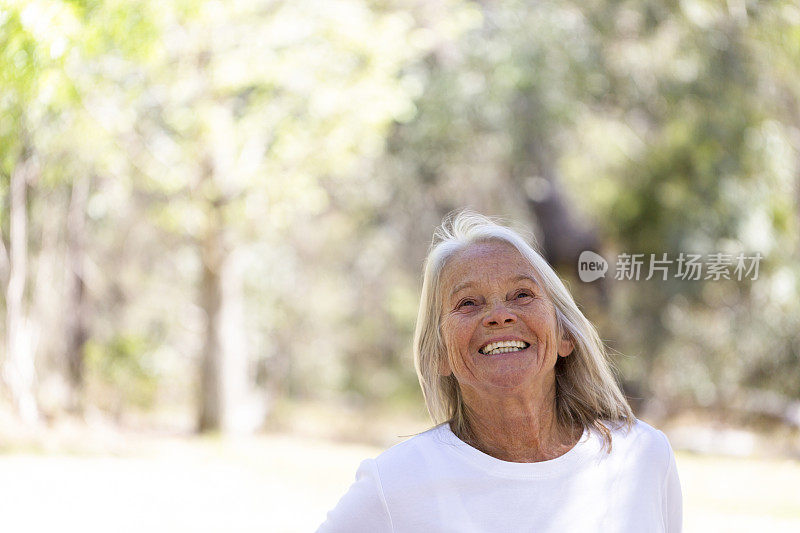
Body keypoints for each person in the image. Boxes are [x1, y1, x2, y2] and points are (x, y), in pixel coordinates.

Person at [317, 211, 682, 532]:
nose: (499, 315)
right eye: (468, 302)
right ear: (440, 355)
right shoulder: (394, 484)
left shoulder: (644, 455)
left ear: (564, 337)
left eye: (522, 295)